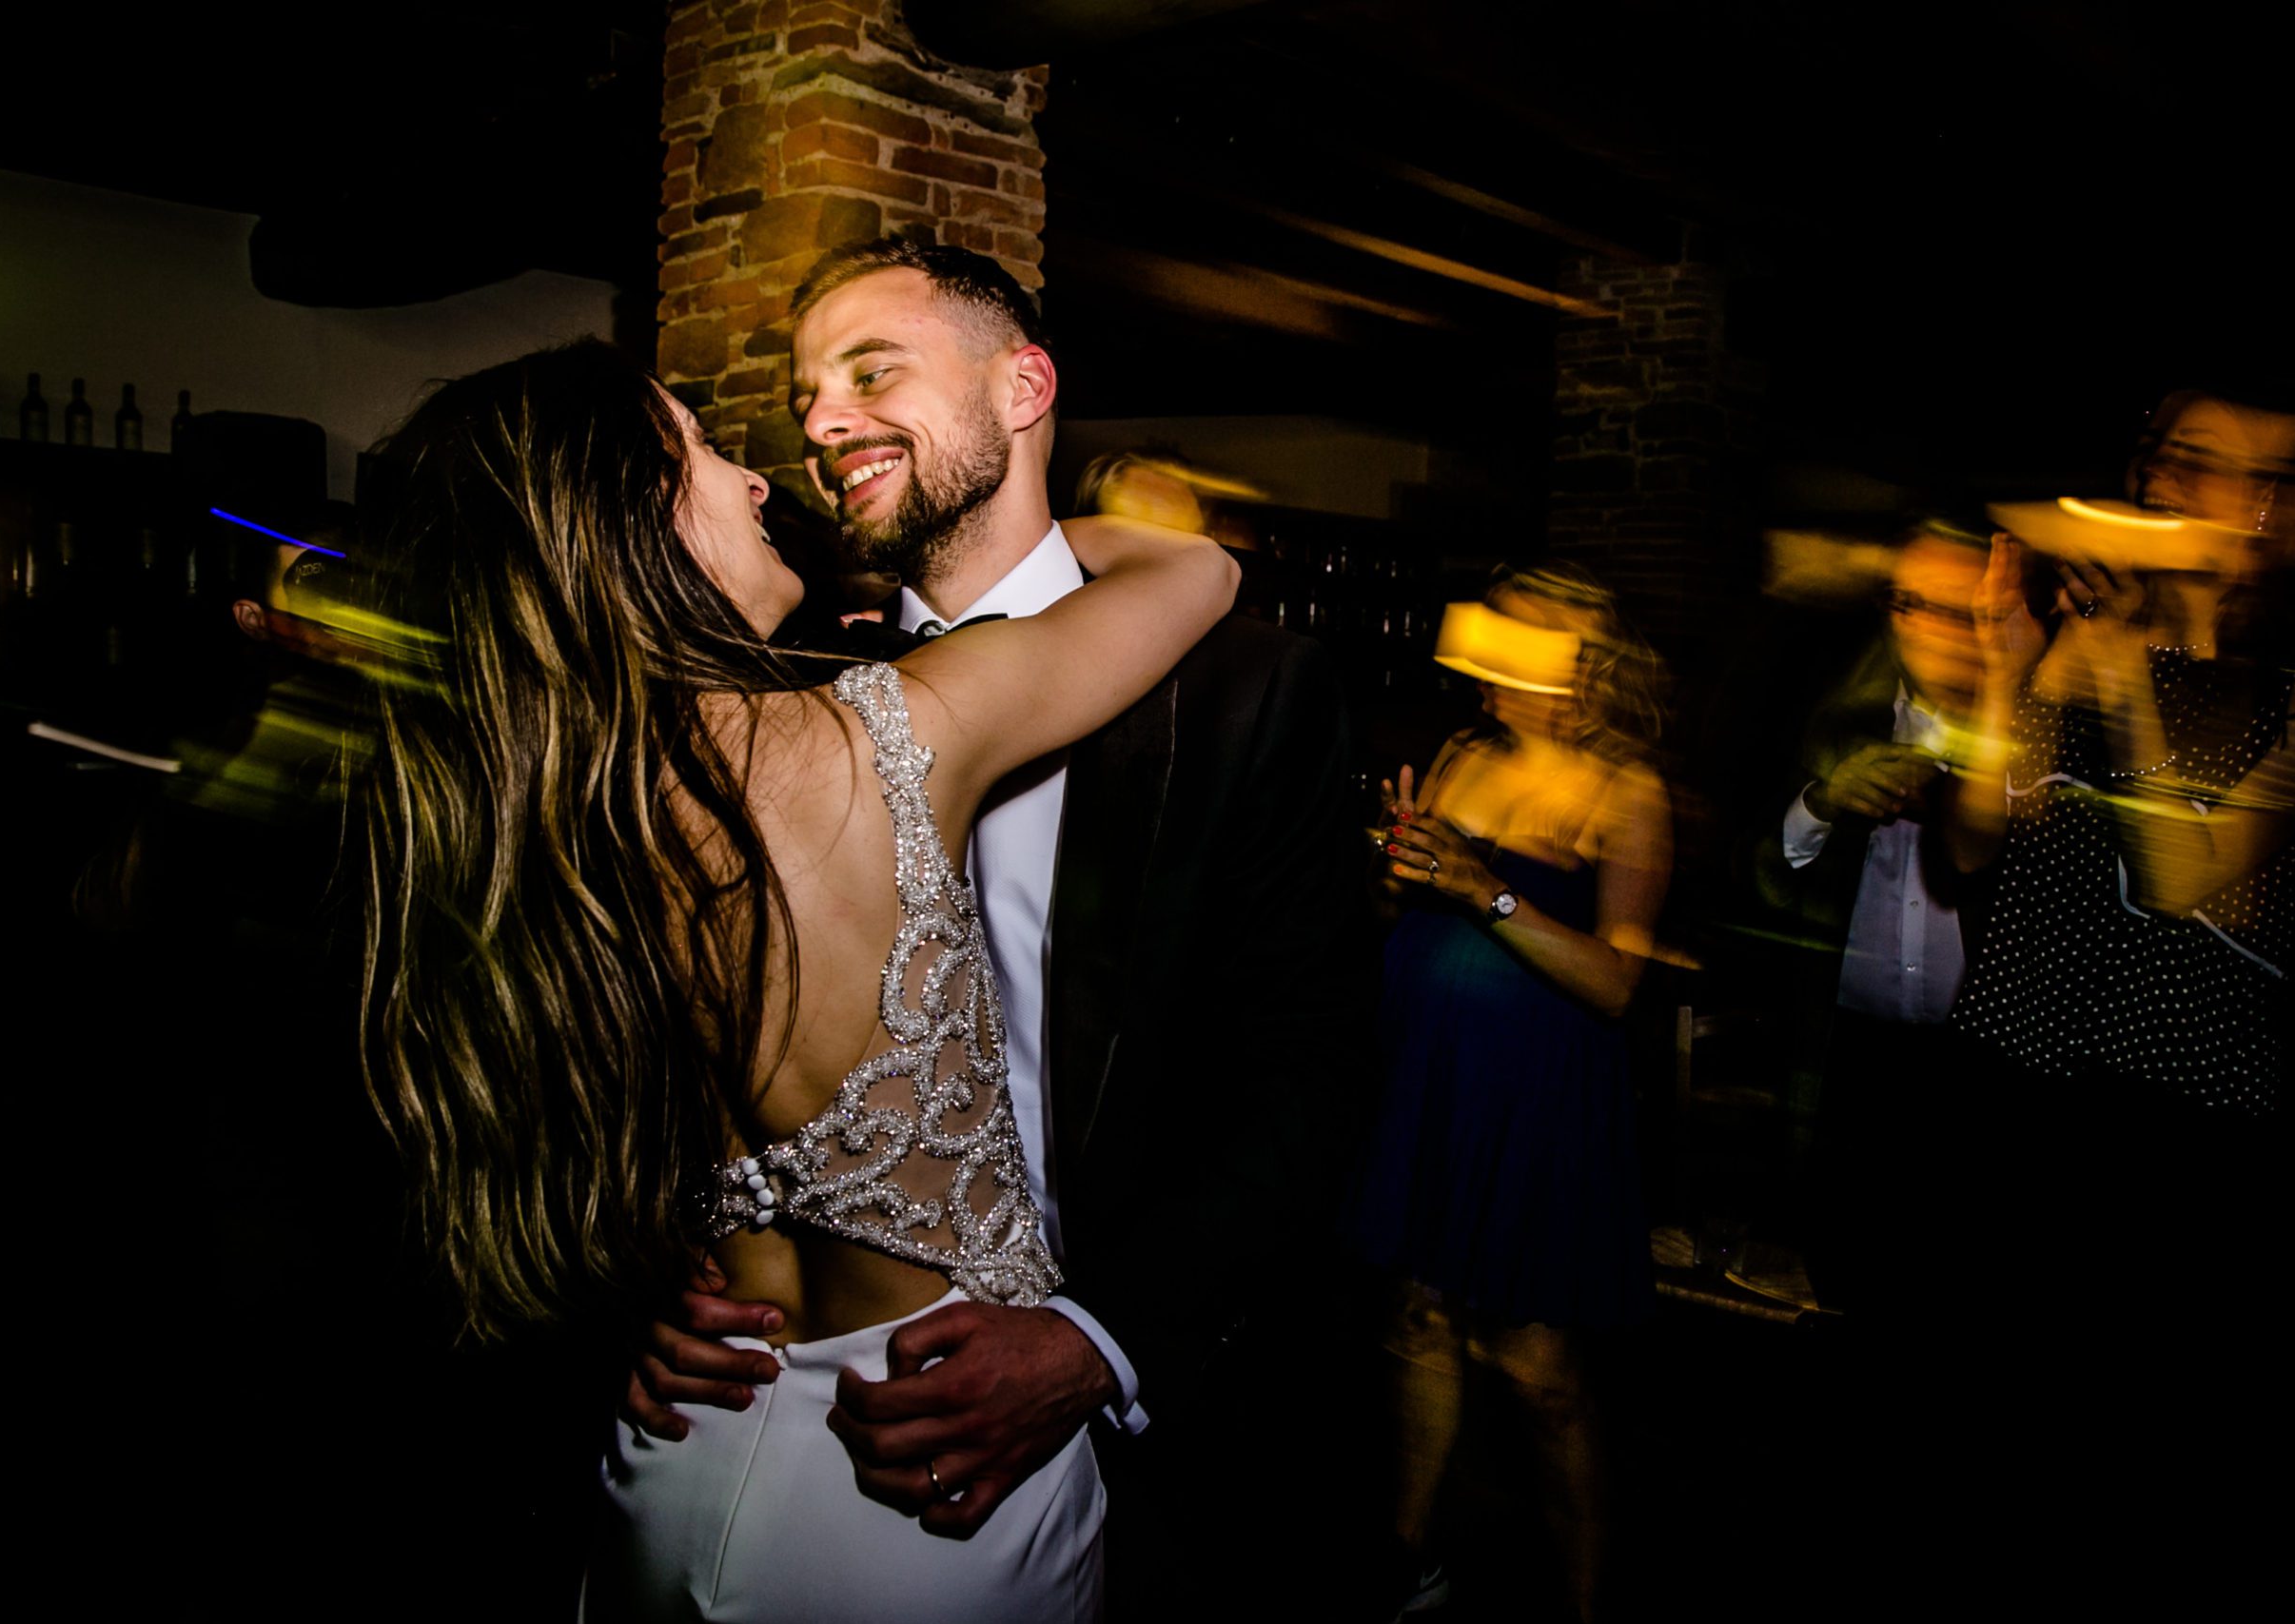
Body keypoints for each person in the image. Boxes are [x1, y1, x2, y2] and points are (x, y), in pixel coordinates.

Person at [345, 337, 1238, 1621]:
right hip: (928, 1486)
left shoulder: (523, 832)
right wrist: (1038, 518)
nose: (757, 481)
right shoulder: (886, 740)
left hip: (675, 1454)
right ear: (626, 525)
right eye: (701, 453)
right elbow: (1195, 569)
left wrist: (645, 1298)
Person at [619, 239, 1369, 1618]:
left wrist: (1099, 1340)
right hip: (825, 1414)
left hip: (1153, 1401)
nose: (822, 419)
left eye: (870, 370)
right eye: (806, 396)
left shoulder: (1251, 692)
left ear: (1024, 386)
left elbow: (1314, 1072)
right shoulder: (796, 696)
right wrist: (670, 1261)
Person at [1944, 384, 2295, 1589]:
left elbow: (2190, 875)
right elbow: (1977, 841)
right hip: (2013, 1091)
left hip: (2173, 1150)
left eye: (2213, 467)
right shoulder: (2085, 635)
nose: (2169, 485)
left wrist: (2127, 676)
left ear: (2274, 509)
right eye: (2168, 458)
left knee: (2139, 1497)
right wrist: (2007, 670)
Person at [1352, 560, 1673, 1622]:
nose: (1480, 679)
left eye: (1506, 656)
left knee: (1536, 1366)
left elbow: (1617, 982)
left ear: (1576, 666)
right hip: (1430, 1077)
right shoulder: (1460, 754)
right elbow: (1405, 914)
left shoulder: (1627, 791)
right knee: (1418, 1319)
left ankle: (1588, 1600)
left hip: (1532, 1098)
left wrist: (1482, 890)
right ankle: (1408, 1558)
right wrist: (1400, 878)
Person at [1752, 523, 1991, 1319]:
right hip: (1852, 1065)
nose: (1935, 628)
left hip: (1981, 1071)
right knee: (1843, 1293)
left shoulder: (2030, 750)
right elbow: (1758, 885)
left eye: (1963, 609)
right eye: (1913, 602)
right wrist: (1819, 805)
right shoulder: (1837, 723)